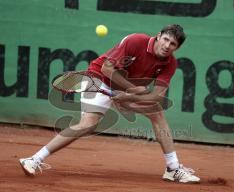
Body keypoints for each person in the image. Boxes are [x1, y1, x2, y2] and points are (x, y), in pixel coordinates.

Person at [19, 24, 200, 183]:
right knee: (88, 125)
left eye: (173, 44)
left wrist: (128, 97)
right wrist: (131, 90)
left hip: (124, 92)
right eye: (166, 39)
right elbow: (107, 68)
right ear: (159, 35)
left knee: (157, 113)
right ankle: (34, 159)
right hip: (99, 80)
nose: (167, 46)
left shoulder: (170, 63)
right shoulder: (135, 41)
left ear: (177, 47)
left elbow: (156, 97)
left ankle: (172, 168)